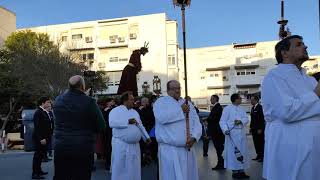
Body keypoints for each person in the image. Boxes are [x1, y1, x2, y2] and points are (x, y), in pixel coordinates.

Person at [261, 35, 320, 180]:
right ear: (284, 53)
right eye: (299, 44)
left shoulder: (310, 80)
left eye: (304, 44)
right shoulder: (274, 76)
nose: (305, 47)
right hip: (290, 147)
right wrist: (317, 93)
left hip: (314, 147)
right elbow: (287, 112)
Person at [53, 75, 106, 180]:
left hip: (61, 147)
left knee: (61, 176)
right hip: (82, 148)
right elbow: (101, 126)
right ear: (82, 86)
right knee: (82, 176)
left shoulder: (58, 100)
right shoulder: (89, 102)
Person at [153, 80, 202, 180]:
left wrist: (194, 137)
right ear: (167, 90)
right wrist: (180, 110)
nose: (177, 91)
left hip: (188, 149)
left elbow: (196, 123)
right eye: (174, 89)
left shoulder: (188, 103)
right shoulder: (161, 102)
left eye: (178, 88)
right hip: (170, 151)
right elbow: (161, 118)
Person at [109, 92, 151, 180]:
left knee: (134, 168)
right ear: (125, 101)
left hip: (135, 146)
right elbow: (111, 123)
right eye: (131, 99)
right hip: (121, 144)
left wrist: (146, 137)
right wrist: (127, 121)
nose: (134, 101)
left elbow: (140, 125)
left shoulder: (135, 112)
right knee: (121, 168)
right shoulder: (115, 111)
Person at [219, 93, 250, 179]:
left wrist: (240, 121)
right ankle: (235, 172)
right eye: (240, 98)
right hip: (232, 134)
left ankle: (242, 171)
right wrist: (225, 130)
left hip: (241, 133)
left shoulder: (241, 109)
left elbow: (246, 118)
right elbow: (222, 121)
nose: (241, 100)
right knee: (233, 153)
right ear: (235, 99)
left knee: (243, 152)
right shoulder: (227, 109)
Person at [31, 96, 52, 179]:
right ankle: (35, 173)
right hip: (40, 139)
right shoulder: (38, 112)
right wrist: (41, 138)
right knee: (37, 156)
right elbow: (37, 127)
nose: (49, 103)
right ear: (43, 103)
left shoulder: (43, 111)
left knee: (41, 156)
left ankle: (39, 170)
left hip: (45, 138)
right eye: (48, 102)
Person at [206, 95, 225, 170]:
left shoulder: (218, 107)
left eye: (212, 99)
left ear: (216, 99)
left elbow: (213, 118)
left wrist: (207, 120)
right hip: (216, 131)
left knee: (219, 149)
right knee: (219, 149)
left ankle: (221, 164)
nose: (210, 100)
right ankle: (221, 164)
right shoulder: (216, 107)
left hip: (217, 132)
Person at [250, 95, 265, 162]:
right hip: (254, 129)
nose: (251, 101)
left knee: (260, 143)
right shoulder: (253, 108)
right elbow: (252, 119)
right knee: (256, 143)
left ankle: (262, 157)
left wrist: (261, 128)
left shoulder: (260, 107)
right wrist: (250, 127)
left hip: (259, 129)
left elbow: (262, 119)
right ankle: (258, 155)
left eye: (252, 100)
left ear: (256, 100)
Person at [102, 98, 116, 171]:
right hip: (107, 131)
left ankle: (113, 162)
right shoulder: (105, 110)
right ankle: (108, 163)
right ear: (108, 103)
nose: (113, 102)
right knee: (108, 147)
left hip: (113, 130)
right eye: (112, 101)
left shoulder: (114, 109)